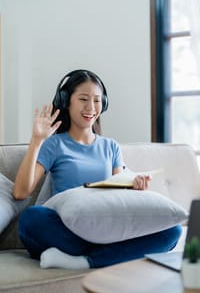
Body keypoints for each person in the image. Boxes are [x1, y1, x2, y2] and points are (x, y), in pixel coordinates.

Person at [13, 69, 182, 270]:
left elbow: (119, 195)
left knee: (172, 231)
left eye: (97, 100)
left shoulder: (111, 147)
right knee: (31, 218)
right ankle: (106, 256)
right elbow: (20, 192)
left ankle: (84, 261)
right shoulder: (54, 145)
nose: (91, 107)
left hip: (105, 230)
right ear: (66, 101)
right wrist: (36, 141)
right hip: (67, 231)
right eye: (83, 99)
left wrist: (134, 187)